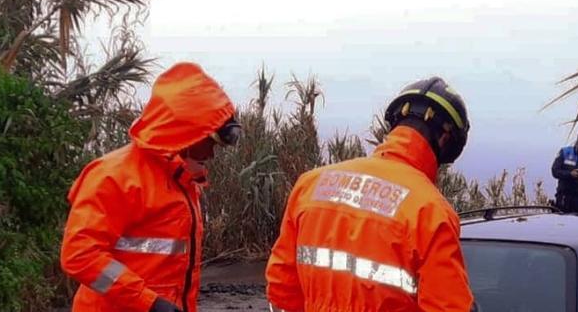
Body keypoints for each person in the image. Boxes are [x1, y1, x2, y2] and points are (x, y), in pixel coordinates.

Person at [266, 77, 474, 311]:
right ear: (446, 139)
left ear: (395, 123)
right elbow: (447, 306)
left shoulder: (311, 185)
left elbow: (281, 286)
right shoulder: (430, 212)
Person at [60, 63, 242, 312]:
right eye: (210, 142)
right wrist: (149, 303)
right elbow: (80, 256)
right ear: (186, 133)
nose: (212, 153)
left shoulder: (182, 181)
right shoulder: (114, 176)